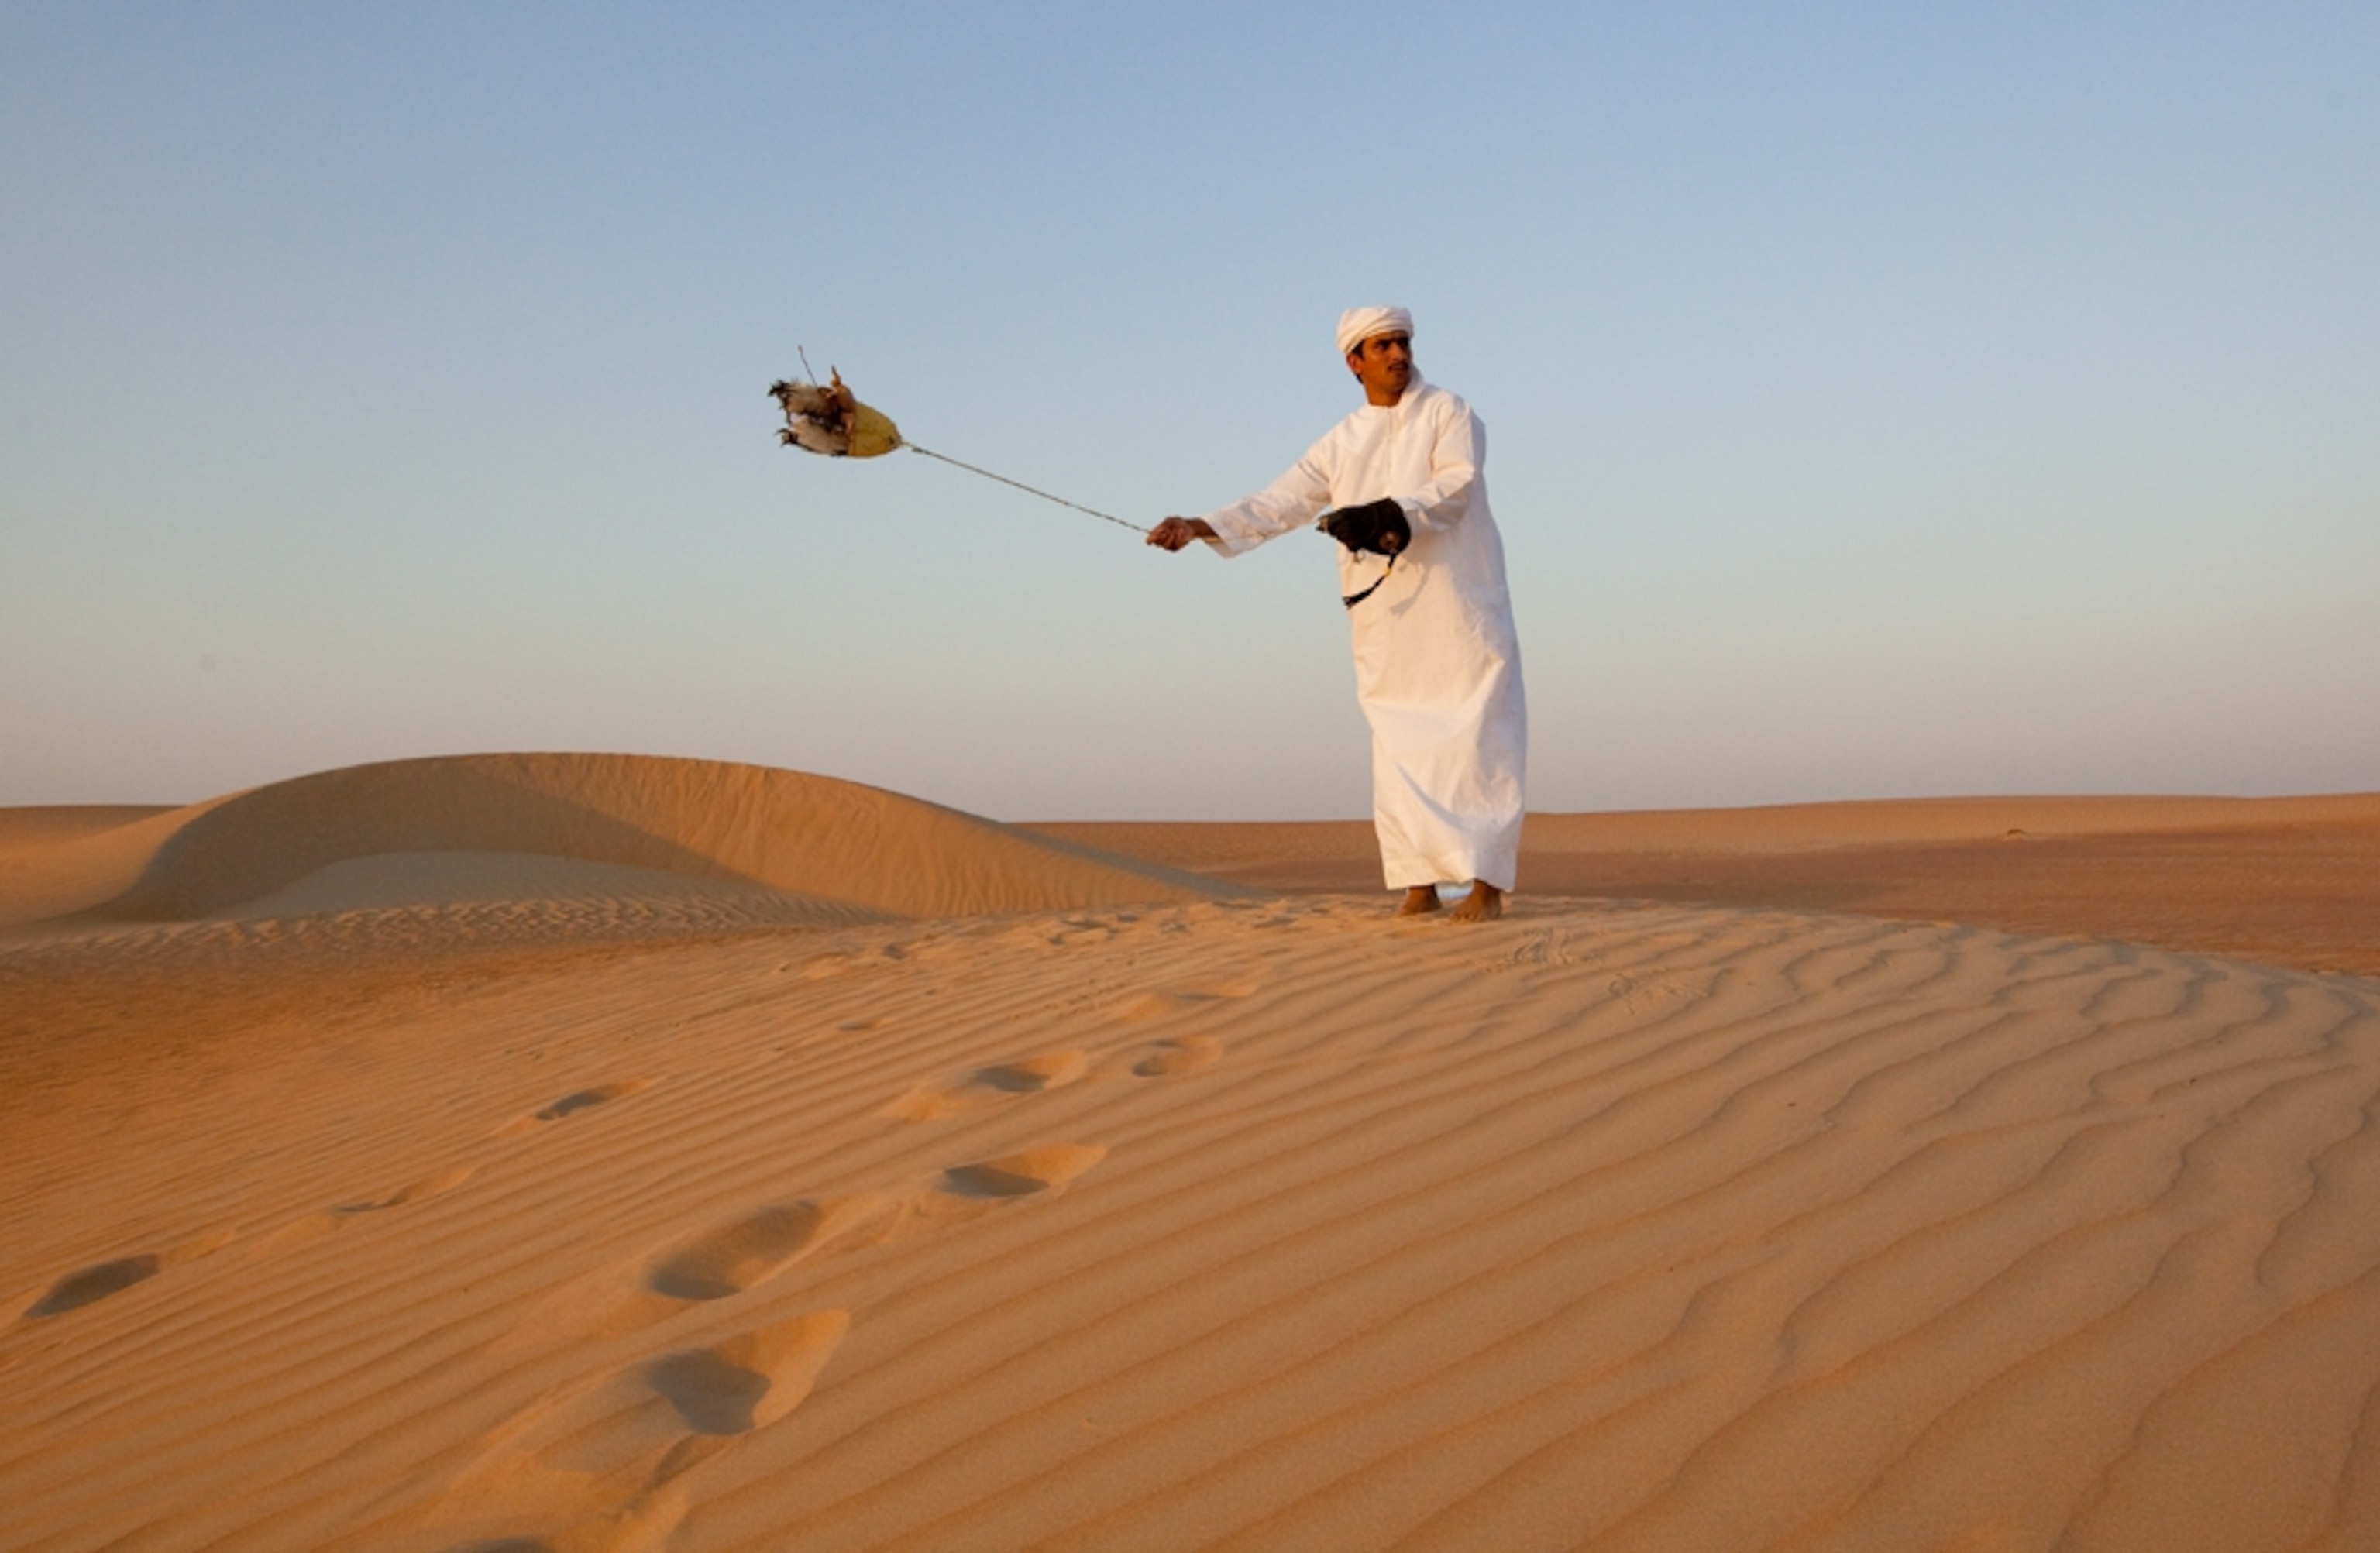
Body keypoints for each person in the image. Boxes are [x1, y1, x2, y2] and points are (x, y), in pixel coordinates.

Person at [1147, 307, 1526, 922]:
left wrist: (1382, 514)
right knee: (1397, 740)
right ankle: (1418, 882)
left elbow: (1456, 487)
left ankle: (1486, 883)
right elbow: (1281, 502)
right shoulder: (1342, 441)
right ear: (1356, 361)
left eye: (1402, 342)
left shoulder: (1448, 412)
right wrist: (1200, 526)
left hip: (1459, 604)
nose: (1397, 354)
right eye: (1382, 346)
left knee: (1477, 733)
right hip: (1386, 615)